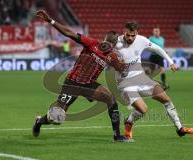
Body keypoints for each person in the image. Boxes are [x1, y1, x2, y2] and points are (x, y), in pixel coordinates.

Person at [32, 10, 131, 142]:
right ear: (104, 39)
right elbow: (69, 33)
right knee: (57, 117)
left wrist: (124, 65)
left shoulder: (112, 56)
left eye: (111, 44)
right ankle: (39, 121)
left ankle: (117, 136)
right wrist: (50, 20)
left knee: (111, 100)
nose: (109, 45)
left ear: (113, 45)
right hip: (72, 82)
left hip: (89, 84)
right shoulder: (91, 43)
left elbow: (120, 69)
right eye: (108, 42)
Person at [114, 21, 193, 140]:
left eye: (133, 35)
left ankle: (180, 128)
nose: (130, 38)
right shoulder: (116, 42)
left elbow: (158, 49)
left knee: (166, 99)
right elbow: (102, 53)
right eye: (128, 35)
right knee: (143, 110)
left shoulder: (141, 40)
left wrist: (171, 62)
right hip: (125, 83)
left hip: (141, 78)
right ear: (124, 32)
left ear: (137, 33)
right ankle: (129, 121)